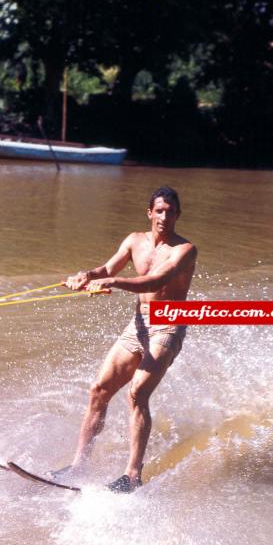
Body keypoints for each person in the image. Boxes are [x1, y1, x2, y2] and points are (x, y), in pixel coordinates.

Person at [62, 186, 197, 491]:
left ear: (177, 215)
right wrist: (86, 275)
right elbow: (106, 268)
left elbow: (156, 280)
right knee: (99, 390)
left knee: (137, 393)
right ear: (150, 212)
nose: (164, 216)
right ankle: (78, 467)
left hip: (168, 324)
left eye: (170, 211)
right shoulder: (134, 240)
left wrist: (113, 282)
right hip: (138, 323)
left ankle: (133, 476)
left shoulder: (185, 250)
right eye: (159, 210)